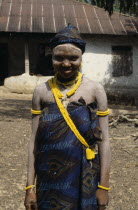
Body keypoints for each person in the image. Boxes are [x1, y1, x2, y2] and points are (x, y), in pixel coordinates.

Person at [24, 25, 111, 210]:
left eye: (73, 58)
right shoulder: (41, 91)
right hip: (48, 178)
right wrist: (29, 187)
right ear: (51, 58)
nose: (66, 64)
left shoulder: (95, 90)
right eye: (59, 58)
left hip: (84, 177)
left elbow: (104, 142)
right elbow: (34, 142)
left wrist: (104, 187)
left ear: (81, 58)